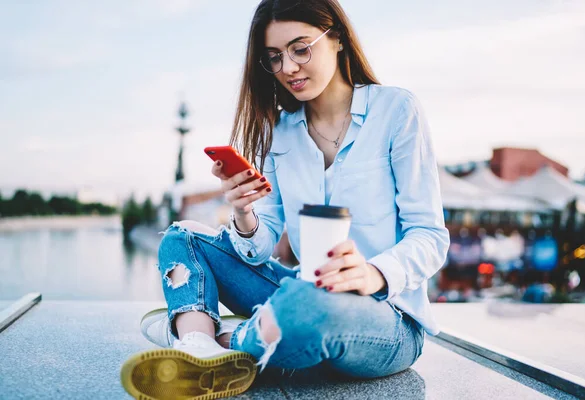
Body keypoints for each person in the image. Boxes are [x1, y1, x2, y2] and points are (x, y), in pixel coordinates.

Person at [120, 1, 450, 399]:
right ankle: (204, 349)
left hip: (386, 321)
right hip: (302, 293)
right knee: (182, 238)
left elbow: (430, 236)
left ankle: (207, 335)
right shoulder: (280, 131)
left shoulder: (396, 110)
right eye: (274, 57)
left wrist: (373, 273)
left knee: (305, 304)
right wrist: (243, 213)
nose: (288, 68)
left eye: (300, 48)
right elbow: (259, 249)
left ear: (339, 39)